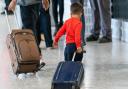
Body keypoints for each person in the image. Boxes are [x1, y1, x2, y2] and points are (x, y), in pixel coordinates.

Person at [8, 0, 47, 67]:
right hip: (35, 3)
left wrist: (14, 1)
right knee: (33, 30)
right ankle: (36, 56)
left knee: (30, 32)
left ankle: (37, 57)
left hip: (26, 3)